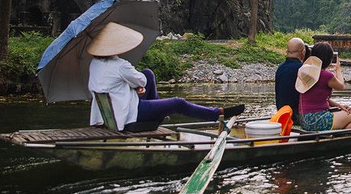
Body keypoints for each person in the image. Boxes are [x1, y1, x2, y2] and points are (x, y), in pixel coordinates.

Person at [87, 22, 245, 130]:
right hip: (128, 117)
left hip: (110, 115)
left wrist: (136, 88)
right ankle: (217, 114)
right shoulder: (120, 65)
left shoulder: (94, 64)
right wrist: (137, 86)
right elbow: (140, 80)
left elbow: (128, 82)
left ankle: (157, 108)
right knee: (178, 103)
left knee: (148, 73)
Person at [295, 41, 351, 131]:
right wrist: (338, 70)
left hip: (304, 119)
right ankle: (345, 137)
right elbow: (341, 86)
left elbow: (319, 98)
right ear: (329, 59)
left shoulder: (307, 72)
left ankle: (346, 135)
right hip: (316, 120)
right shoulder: (326, 75)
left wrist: (339, 105)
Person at [275, 37, 308, 124]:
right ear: (303, 52)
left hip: (282, 114)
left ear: (286, 52)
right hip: (296, 116)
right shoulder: (302, 69)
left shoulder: (280, 68)